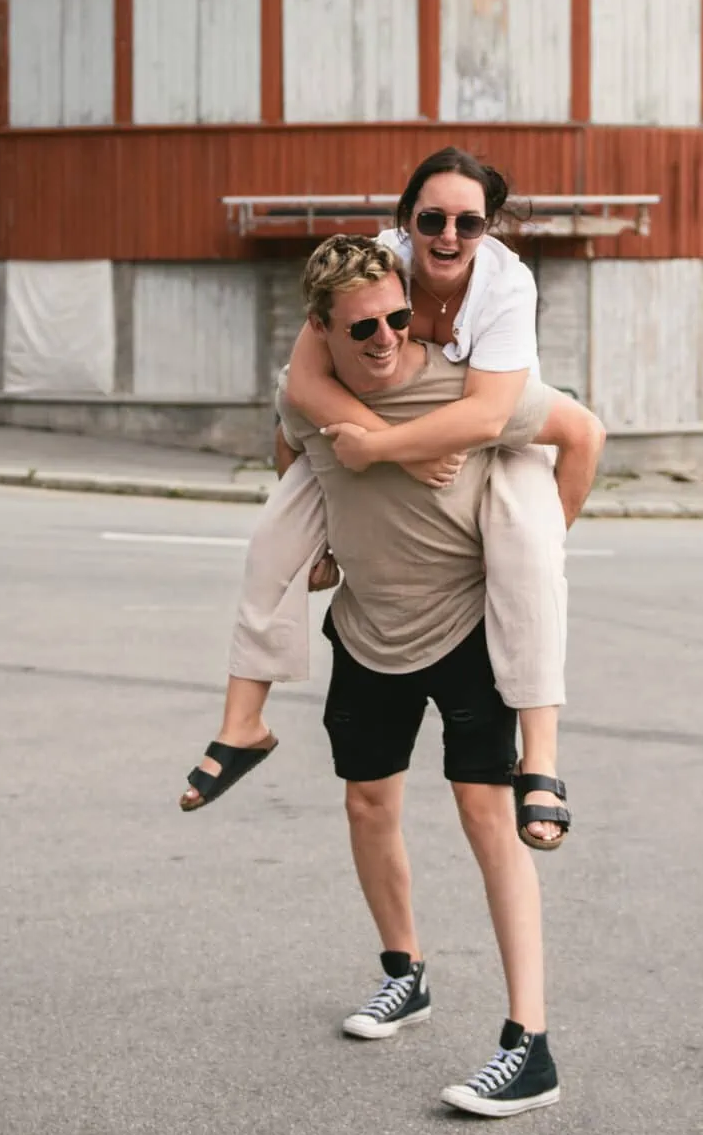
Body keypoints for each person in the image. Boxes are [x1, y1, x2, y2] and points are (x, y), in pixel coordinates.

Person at [239, 234, 599, 1116]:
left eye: (398, 318)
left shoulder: (469, 388)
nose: (387, 338)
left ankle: (530, 1045)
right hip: (369, 628)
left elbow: (582, 434)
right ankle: (405, 974)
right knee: (368, 804)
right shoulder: (314, 392)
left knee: (487, 816)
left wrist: (543, 548)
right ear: (324, 330)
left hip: (468, 631)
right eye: (363, 328)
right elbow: (289, 445)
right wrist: (321, 538)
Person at [182, 149, 602, 848]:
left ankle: (541, 761)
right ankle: (242, 722)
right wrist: (378, 453)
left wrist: (381, 451)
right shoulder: (380, 262)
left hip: (491, 417)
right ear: (406, 220)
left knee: (529, 558)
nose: (449, 236)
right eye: (431, 219)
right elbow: (302, 383)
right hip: (386, 417)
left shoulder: (507, 284)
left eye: (468, 223)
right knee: (274, 535)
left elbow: (488, 417)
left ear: (488, 226)